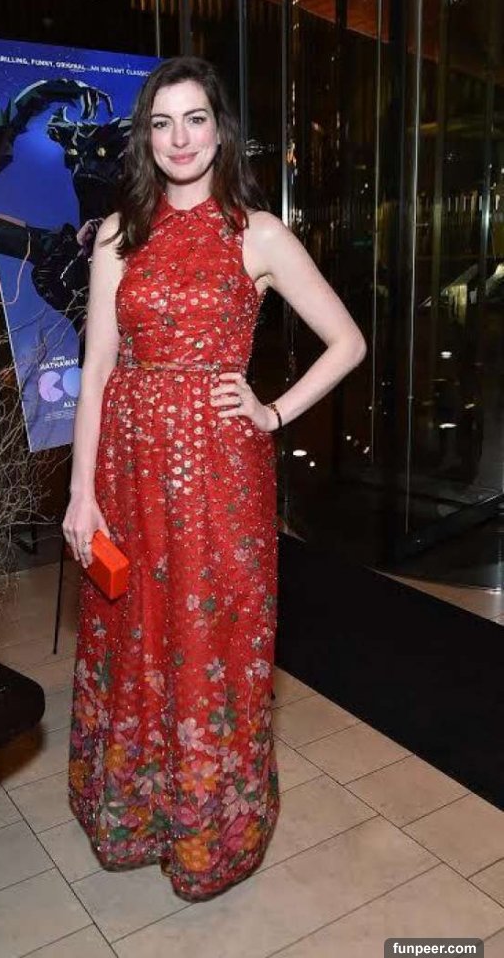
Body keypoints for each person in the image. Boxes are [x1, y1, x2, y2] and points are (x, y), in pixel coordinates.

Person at [62, 56, 366, 902]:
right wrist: (81, 491)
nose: (180, 138)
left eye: (195, 119)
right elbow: (96, 370)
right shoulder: (119, 234)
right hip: (128, 469)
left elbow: (347, 341)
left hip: (219, 476)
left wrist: (272, 412)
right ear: (145, 138)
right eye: (162, 123)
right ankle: (135, 815)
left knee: (212, 639)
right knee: (133, 633)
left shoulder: (257, 233)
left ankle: (208, 835)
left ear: (221, 130)